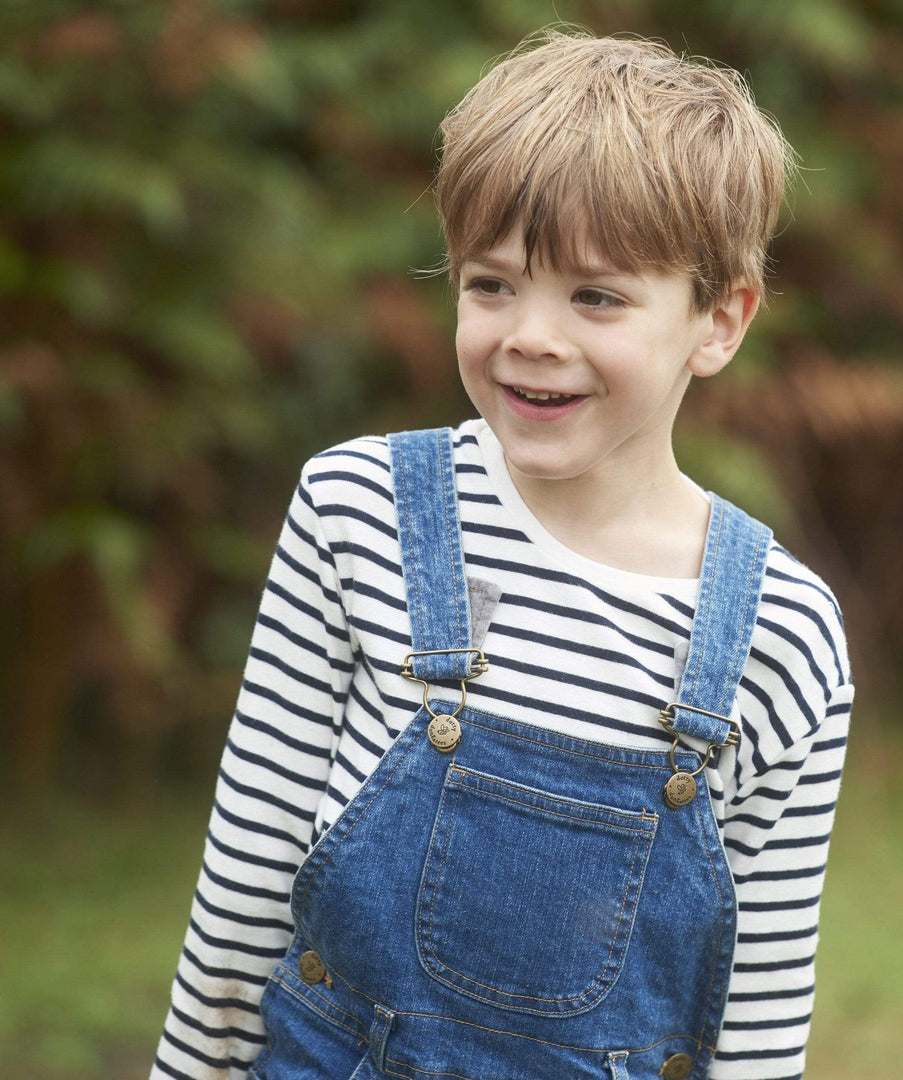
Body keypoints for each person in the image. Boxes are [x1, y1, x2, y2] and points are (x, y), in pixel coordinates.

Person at [152, 28, 854, 1080]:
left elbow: (756, 1017)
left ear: (719, 321)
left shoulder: (781, 635)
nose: (529, 333)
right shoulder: (359, 512)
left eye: (597, 296)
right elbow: (244, 885)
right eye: (491, 284)